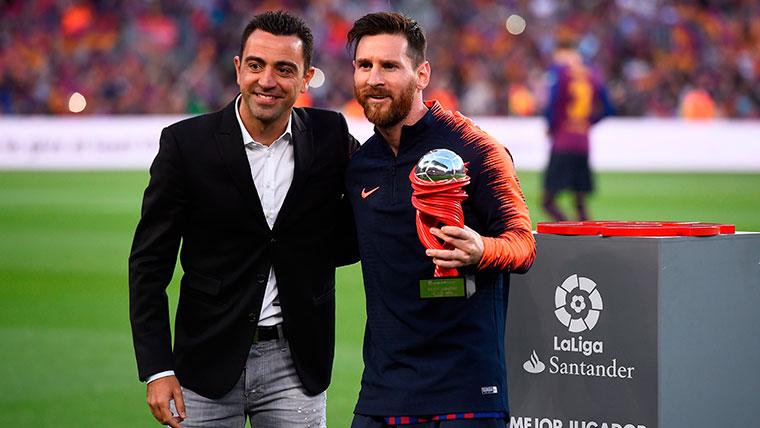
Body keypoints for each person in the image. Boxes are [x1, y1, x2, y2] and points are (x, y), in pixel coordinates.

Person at [128, 10, 358, 428]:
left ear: (307, 78)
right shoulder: (185, 144)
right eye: (256, 65)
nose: (266, 80)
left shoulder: (331, 135)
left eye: (284, 69)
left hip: (297, 364)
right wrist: (157, 368)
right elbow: (149, 263)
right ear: (238, 69)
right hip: (204, 364)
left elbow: (381, 184)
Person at [344, 12, 537, 428]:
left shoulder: (476, 148)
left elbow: (524, 244)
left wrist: (483, 249)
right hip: (382, 394)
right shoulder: (360, 165)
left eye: (389, 66)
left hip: (466, 393)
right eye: (364, 65)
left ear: (422, 74)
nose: (373, 78)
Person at [542, 42, 614, 221]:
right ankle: (586, 234)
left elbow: (553, 103)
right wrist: (588, 122)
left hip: (563, 142)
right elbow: (609, 108)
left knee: (548, 202)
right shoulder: (593, 74)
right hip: (582, 143)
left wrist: (551, 126)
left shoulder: (559, 72)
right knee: (580, 202)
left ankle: (567, 228)